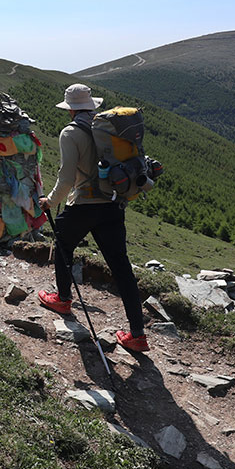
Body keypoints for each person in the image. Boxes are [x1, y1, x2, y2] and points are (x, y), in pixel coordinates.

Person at [37, 84, 150, 352]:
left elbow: (66, 178)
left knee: (63, 245)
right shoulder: (107, 130)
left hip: (84, 204)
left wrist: (50, 201)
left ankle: (63, 299)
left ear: (71, 109)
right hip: (112, 205)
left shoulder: (71, 133)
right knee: (121, 267)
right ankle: (137, 335)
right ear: (92, 107)